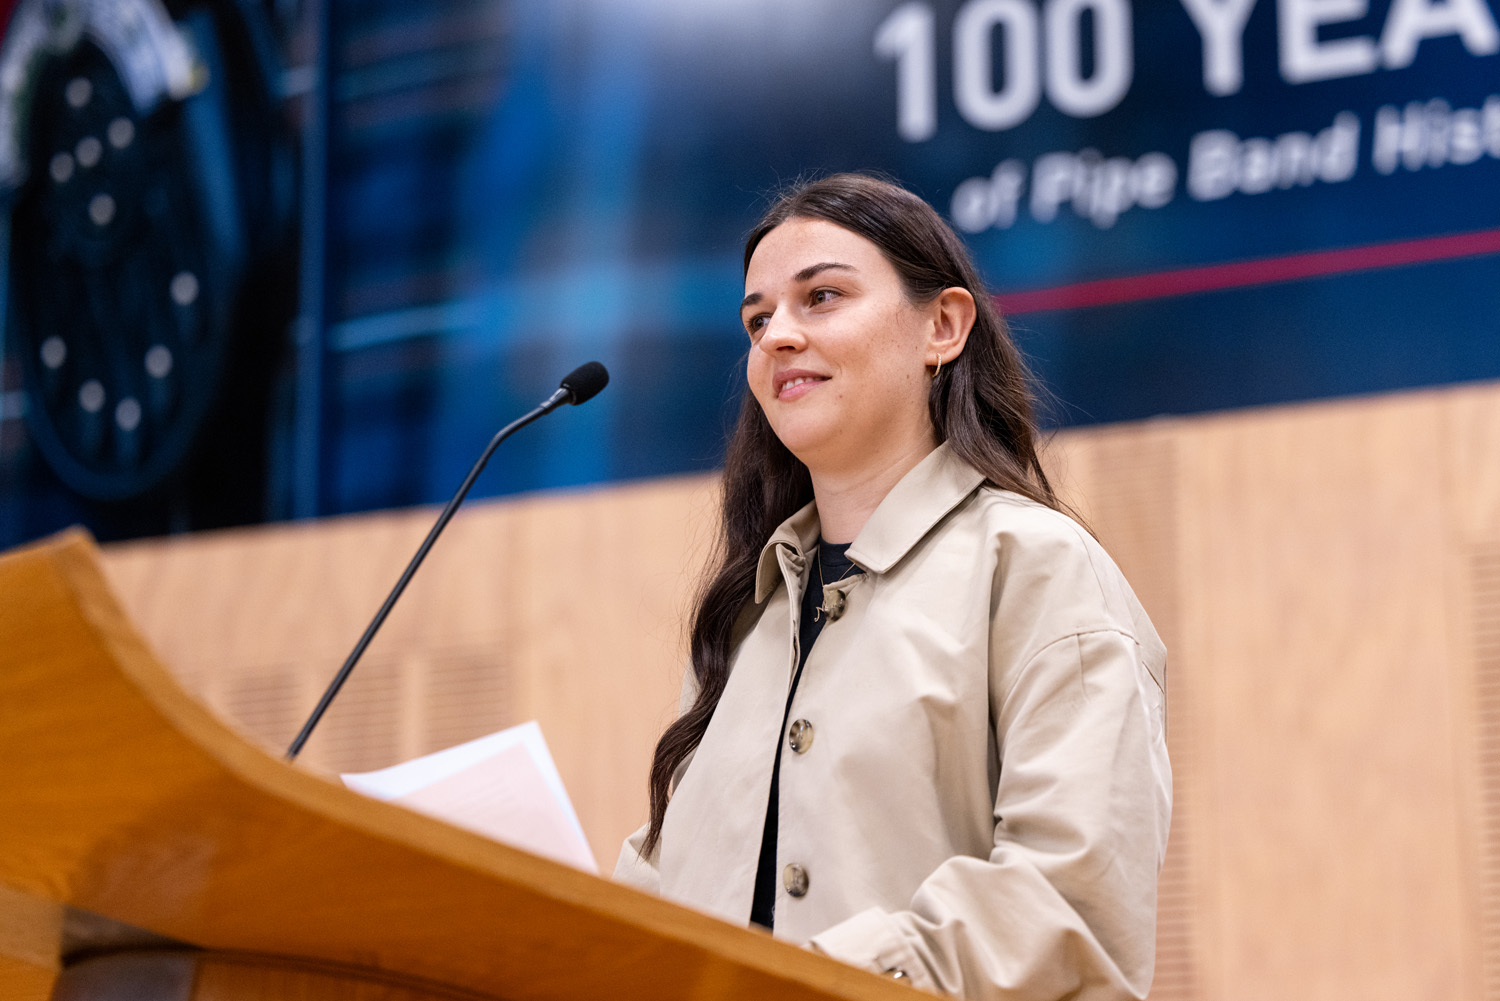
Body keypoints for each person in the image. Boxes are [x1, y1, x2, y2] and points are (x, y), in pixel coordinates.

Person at [614, 173, 1170, 1000]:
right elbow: (672, 889)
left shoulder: (1037, 567)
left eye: (822, 297)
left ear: (941, 326)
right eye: (758, 318)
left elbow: (1071, 897)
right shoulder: (746, 613)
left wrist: (812, 981)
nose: (777, 337)